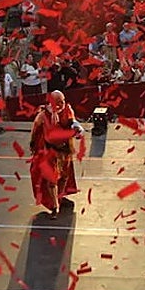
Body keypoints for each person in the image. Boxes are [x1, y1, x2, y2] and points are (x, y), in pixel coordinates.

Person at [29, 90, 84, 219]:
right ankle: (55, 206)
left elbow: (73, 122)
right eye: (57, 102)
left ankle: (60, 197)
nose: (60, 104)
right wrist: (33, 144)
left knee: (64, 176)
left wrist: (78, 128)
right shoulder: (43, 115)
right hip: (50, 151)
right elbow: (35, 128)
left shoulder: (67, 110)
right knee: (51, 179)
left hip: (65, 150)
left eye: (62, 101)